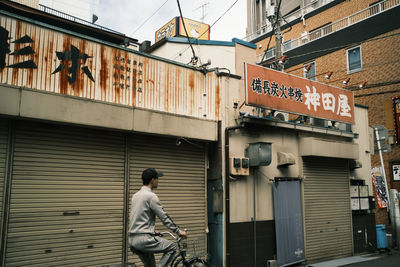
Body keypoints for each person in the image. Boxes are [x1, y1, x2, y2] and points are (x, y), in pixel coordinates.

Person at [129, 168, 187, 267]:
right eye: (157, 179)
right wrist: (178, 231)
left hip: (133, 240)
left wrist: (153, 232)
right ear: (153, 180)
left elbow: (138, 218)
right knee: (173, 247)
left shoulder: (136, 195)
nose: (158, 181)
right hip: (144, 239)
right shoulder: (151, 196)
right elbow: (164, 217)